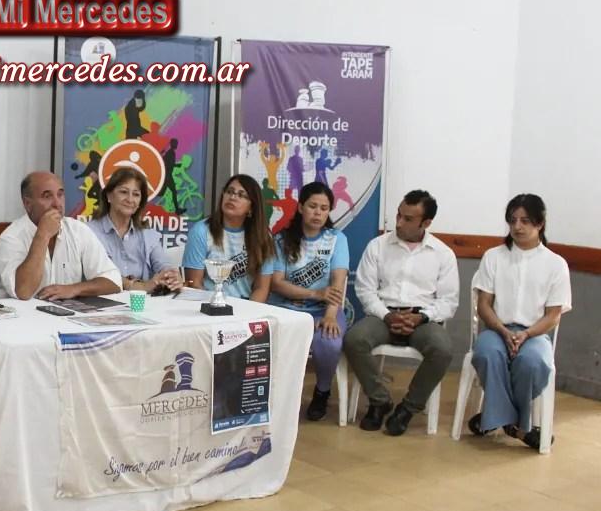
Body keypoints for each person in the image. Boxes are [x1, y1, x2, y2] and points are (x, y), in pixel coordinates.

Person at [343, 190, 458, 435]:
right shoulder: (378, 246)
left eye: (407, 219)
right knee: (354, 340)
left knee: (443, 349)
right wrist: (387, 315)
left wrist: (421, 317)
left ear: (426, 223)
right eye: (398, 215)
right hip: (383, 315)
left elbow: (449, 301)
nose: (398, 223)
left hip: (423, 319)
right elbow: (365, 290)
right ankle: (379, 400)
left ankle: (408, 408)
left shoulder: (443, 254)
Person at [469, 194, 571, 451]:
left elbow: (553, 315)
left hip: (535, 333)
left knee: (533, 362)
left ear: (540, 223)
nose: (517, 226)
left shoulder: (556, 264)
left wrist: (526, 335)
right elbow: (484, 305)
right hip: (497, 328)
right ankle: (519, 427)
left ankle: (496, 417)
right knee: (486, 353)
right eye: (513, 220)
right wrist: (503, 331)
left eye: (525, 221)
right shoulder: (494, 256)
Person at [270, 181, 349, 421]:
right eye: (313, 206)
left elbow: (338, 282)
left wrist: (329, 315)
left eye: (324, 208)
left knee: (329, 342)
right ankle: (277, 394)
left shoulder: (337, 239)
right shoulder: (281, 239)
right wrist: (315, 294)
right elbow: (277, 283)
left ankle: (322, 391)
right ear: (300, 207)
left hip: (324, 309)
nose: (318, 213)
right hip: (286, 309)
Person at [0, 171, 121, 300]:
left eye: (60, 194)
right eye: (47, 196)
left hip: (68, 311)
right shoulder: (11, 238)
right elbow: (23, 292)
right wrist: (43, 235)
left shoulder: (78, 230)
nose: (57, 204)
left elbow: (114, 280)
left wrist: (74, 289)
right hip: (23, 312)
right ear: (27, 204)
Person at [87, 167, 182, 293]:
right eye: (123, 192)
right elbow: (100, 274)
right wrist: (138, 286)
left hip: (142, 302)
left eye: (136, 194)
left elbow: (163, 265)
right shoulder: (89, 232)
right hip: (103, 301)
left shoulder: (147, 234)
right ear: (109, 196)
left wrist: (170, 276)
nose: (130, 199)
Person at [182, 174, 274, 302]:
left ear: (251, 207)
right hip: (208, 305)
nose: (232, 197)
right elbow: (194, 284)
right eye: (229, 192)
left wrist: (249, 311)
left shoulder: (263, 236)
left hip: (246, 307)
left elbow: (261, 288)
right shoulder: (201, 231)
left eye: (241, 195)